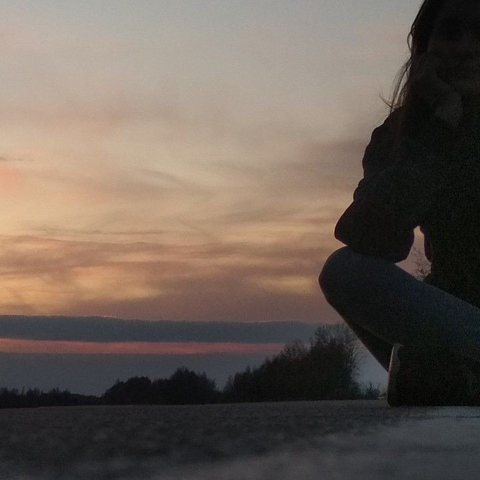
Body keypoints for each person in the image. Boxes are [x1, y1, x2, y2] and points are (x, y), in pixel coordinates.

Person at [318, 0, 480, 407]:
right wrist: (440, 129)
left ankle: (447, 378)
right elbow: (370, 238)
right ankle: (453, 376)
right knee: (343, 271)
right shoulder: (407, 131)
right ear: (425, 48)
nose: (466, 47)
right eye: (451, 33)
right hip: (461, 318)